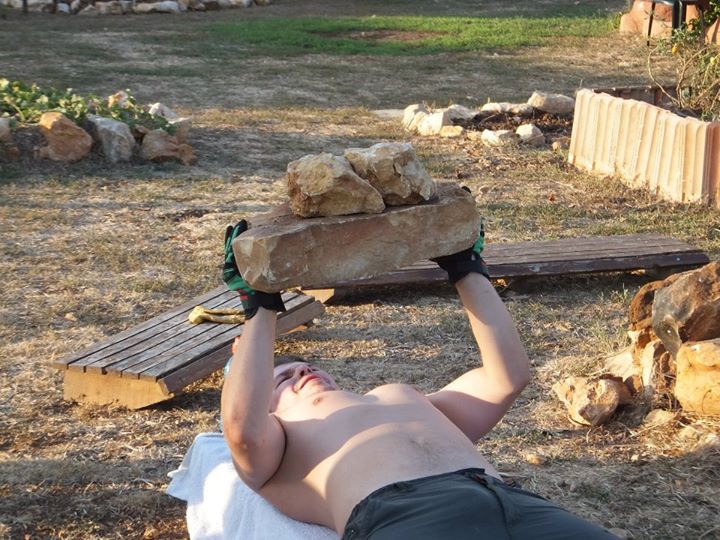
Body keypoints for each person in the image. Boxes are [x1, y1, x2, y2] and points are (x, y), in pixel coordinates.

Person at [220, 219, 618, 539]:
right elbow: (243, 429)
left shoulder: (400, 396)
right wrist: (260, 308)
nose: (302, 371)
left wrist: (467, 269)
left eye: (304, 365)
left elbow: (507, 377)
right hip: (404, 515)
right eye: (282, 379)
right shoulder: (280, 444)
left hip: (515, 505)